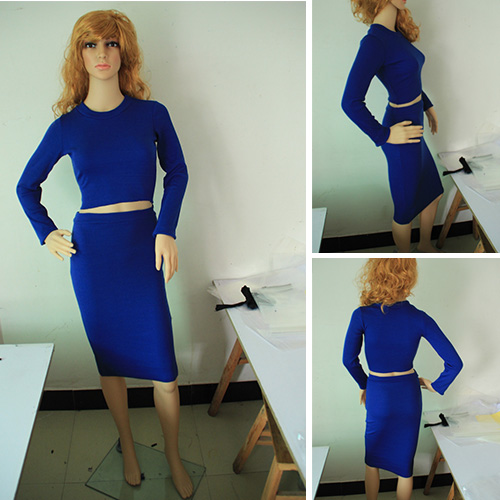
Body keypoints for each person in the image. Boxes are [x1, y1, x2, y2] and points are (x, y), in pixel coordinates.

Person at [16, 10, 193, 498]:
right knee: (110, 363)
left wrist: (166, 228)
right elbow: (26, 186)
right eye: (91, 45)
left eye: (111, 43)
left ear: (124, 51)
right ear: (79, 55)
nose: (101, 54)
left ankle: (173, 455)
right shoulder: (67, 127)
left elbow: (177, 172)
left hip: (143, 244)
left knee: (164, 371)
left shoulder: (151, 114)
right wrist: (46, 232)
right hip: (93, 255)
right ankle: (128, 447)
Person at [342, 258, 463, 500]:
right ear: (409, 279)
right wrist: (435, 386)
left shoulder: (362, 315)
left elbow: (349, 360)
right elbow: (455, 363)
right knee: (404, 468)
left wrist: (364, 384)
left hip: (378, 392)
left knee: (372, 461)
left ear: (376, 275)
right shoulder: (419, 317)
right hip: (408, 395)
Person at [341, 1, 443, 253]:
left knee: (434, 191)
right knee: (405, 209)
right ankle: (404, 258)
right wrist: (385, 135)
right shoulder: (374, 42)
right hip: (401, 133)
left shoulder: (395, 34)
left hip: (415, 127)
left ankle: (425, 245)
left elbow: (408, 79)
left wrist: (427, 105)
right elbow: (350, 101)